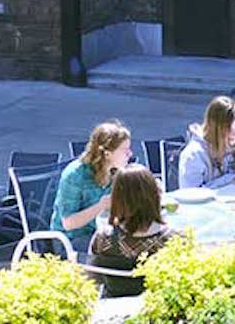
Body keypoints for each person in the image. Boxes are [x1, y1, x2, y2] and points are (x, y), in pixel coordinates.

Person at [88, 164, 178, 293]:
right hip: (158, 307)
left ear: (117, 199)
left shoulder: (102, 238)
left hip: (113, 306)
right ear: (154, 196)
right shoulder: (172, 240)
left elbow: (91, 280)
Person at [52, 121, 133, 253]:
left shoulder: (115, 171)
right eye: (125, 150)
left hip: (101, 232)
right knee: (124, 251)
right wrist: (101, 206)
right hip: (70, 240)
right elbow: (68, 223)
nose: (130, 154)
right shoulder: (75, 175)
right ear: (107, 154)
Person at [179, 96, 235, 189]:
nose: (234, 136)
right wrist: (228, 180)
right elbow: (190, 194)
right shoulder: (194, 155)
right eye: (229, 131)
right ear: (215, 130)